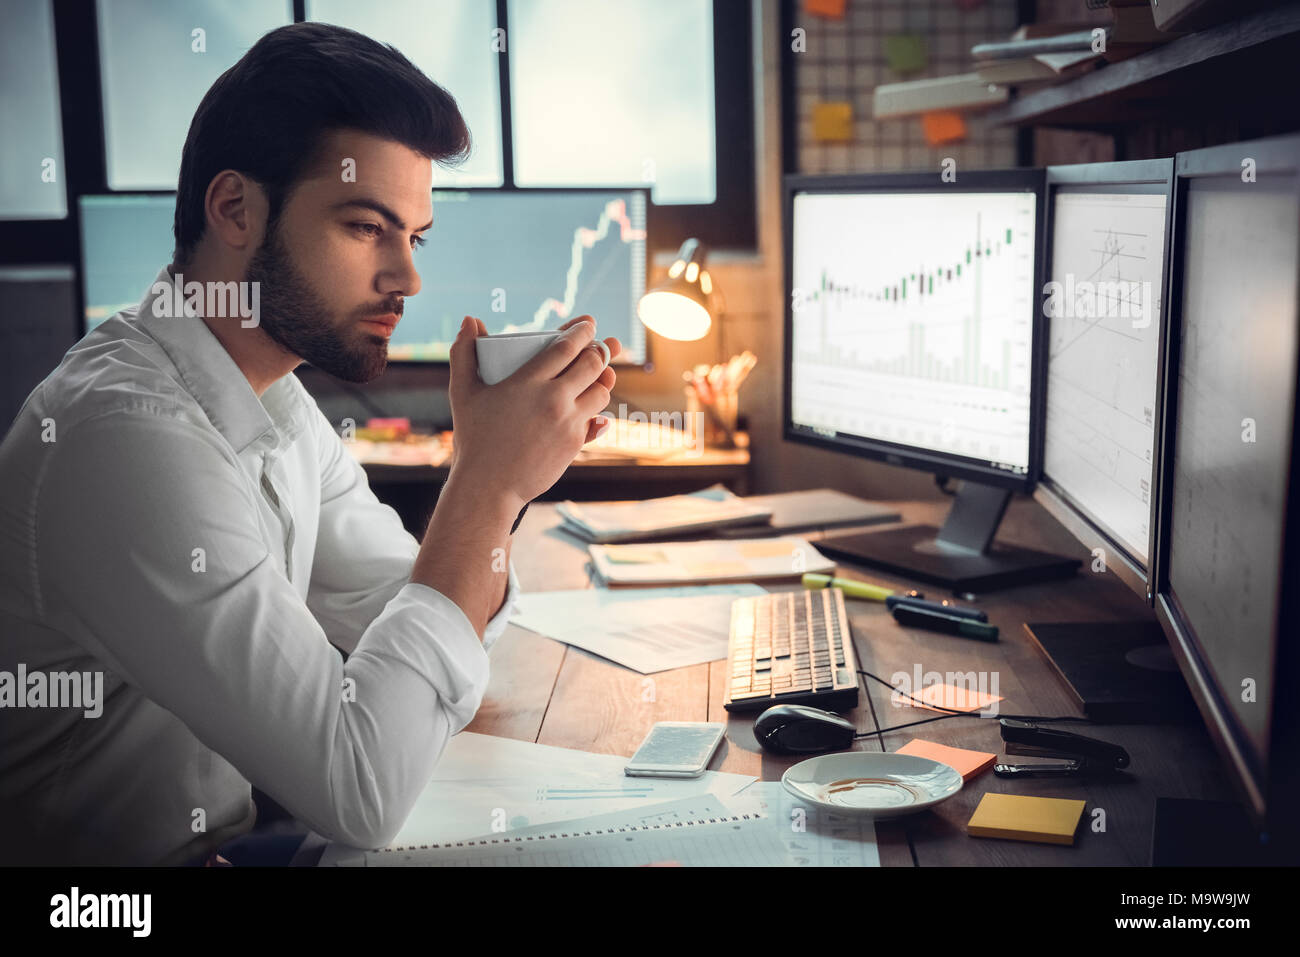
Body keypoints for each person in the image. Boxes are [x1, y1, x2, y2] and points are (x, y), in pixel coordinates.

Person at [0, 21, 618, 865]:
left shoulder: (273, 397)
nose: (408, 277)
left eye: (415, 236)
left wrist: (494, 485)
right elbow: (359, 786)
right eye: (366, 227)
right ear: (235, 210)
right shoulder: (124, 436)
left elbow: (413, 612)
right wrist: (488, 488)